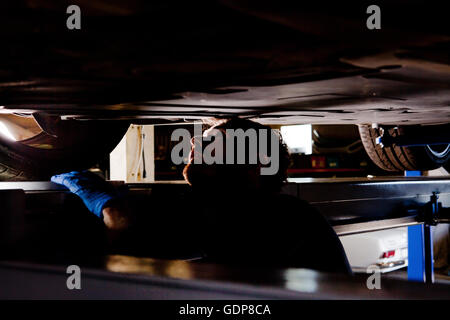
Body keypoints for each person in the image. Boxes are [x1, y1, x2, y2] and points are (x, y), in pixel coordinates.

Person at [51, 118, 351, 274]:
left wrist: (109, 204)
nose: (194, 142)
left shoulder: (279, 217)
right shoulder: (240, 206)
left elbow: (129, 255)